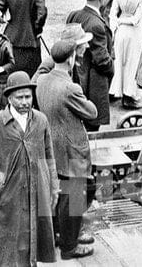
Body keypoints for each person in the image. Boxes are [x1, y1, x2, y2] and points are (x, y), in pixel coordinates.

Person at [0, 71, 58, 267]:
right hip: (10, 197)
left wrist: (53, 185)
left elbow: (49, 155)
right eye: (19, 97)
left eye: (28, 97)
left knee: (33, 240)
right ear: (9, 98)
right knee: (11, 245)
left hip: (37, 192)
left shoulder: (41, 121)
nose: (24, 102)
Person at [35, 39, 97, 261]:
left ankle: (57, 236)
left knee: (57, 193)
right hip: (72, 149)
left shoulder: (41, 80)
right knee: (74, 197)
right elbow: (92, 113)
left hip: (51, 144)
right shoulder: (70, 88)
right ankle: (70, 247)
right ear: (71, 58)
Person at [66, 0, 114, 131]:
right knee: (92, 127)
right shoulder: (97, 24)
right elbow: (102, 60)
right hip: (93, 83)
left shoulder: (74, 15)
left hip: (75, 75)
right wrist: (112, 68)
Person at [108, 0, 142, 110]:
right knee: (132, 63)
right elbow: (136, 20)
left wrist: (115, 26)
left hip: (120, 31)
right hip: (134, 33)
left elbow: (112, 13)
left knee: (119, 61)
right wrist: (123, 21)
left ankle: (115, 91)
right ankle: (128, 96)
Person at [0, 0, 48, 78]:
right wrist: (37, 30)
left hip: (11, 38)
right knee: (32, 76)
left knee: (12, 74)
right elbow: (41, 14)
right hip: (30, 40)